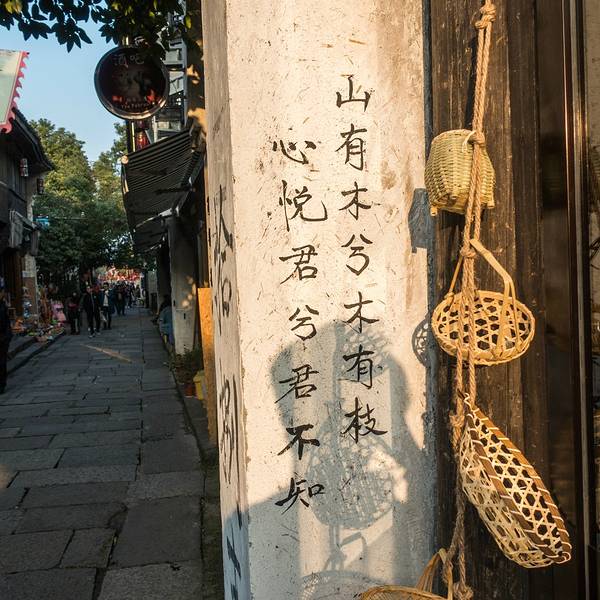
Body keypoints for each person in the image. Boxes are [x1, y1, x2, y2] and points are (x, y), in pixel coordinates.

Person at [0, 285, 12, 393]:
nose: (3, 294)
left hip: (3, 337)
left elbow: (7, 322)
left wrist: (7, 336)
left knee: (2, 362)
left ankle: (2, 384)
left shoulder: (3, 305)